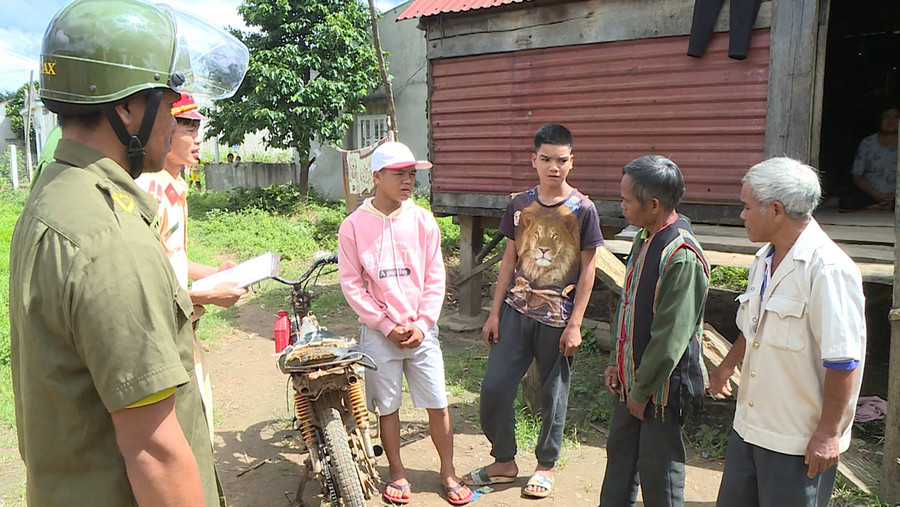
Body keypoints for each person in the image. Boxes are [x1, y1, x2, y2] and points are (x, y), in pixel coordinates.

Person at [7, 0, 247, 505]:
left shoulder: (56, 191)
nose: (176, 118)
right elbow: (154, 453)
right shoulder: (108, 234)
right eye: (168, 97)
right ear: (127, 107)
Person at [709, 157, 867, 507]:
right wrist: (726, 366)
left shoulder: (828, 269)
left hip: (797, 441)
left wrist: (827, 433)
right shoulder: (764, 259)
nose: (742, 215)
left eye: (747, 207)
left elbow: (843, 362)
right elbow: (753, 326)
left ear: (775, 210)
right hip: (750, 425)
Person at [463, 123, 602, 499]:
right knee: (494, 388)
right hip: (515, 312)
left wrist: (576, 325)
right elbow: (508, 260)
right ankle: (504, 461)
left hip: (557, 320)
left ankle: (545, 465)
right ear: (534, 160)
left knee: (552, 395)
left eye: (561, 160)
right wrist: (493, 314)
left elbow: (588, 270)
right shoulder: (520, 204)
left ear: (572, 162)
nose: (553, 167)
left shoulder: (583, 209)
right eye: (545, 159)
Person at [337, 141, 473, 506]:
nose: (409, 180)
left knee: (438, 402)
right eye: (401, 174)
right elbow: (352, 283)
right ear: (377, 177)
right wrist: (384, 325)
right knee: (388, 406)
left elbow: (435, 277)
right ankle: (397, 471)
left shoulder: (423, 220)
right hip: (380, 336)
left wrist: (424, 322)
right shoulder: (353, 226)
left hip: (422, 331)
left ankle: (448, 470)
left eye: (413, 174)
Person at [599, 155, 711, 507]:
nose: (622, 207)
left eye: (626, 201)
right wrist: (619, 366)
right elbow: (629, 306)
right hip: (631, 381)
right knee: (619, 461)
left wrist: (642, 391)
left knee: (659, 476)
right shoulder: (646, 237)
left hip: (659, 390)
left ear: (653, 204)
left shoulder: (682, 256)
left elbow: (669, 340)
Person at [135, 92, 246, 444]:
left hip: (183, 323)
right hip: (163, 331)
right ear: (165, 131)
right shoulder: (149, 188)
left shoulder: (173, 185)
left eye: (199, 128)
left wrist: (212, 271)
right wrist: (207, 294)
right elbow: (146, 280)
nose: (199, 139)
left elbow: (173, 257)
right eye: (189, 129)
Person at [838, 106, 899, 210]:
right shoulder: (867, 143)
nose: (890, 121)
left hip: (896, 196)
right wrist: (875, 194)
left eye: (895, 117)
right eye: (886, 117)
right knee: (847, 201)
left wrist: (894, 194)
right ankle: (883, 206)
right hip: (870, 194)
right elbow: (857, 175)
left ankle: (882, 207)